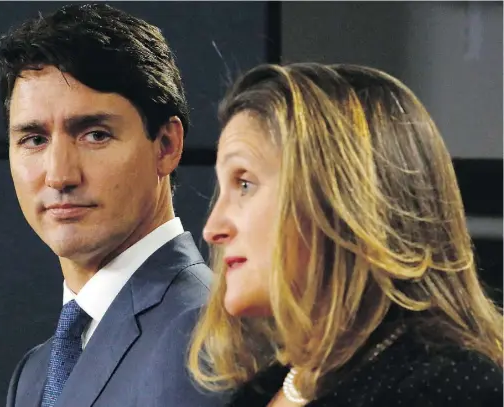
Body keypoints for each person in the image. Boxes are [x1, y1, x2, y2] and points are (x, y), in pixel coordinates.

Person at [188, 62, 503, 406]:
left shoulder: (451, 387)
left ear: (343, 198)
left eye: (245, 184)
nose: (212, 229)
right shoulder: (264, 389)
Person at [0, 4, 222, 407]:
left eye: (95, 135)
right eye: (34, 140)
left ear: (167, 146)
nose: (59, 175)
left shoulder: (214, 338)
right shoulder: (33, 373)